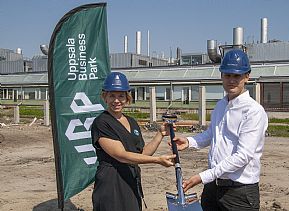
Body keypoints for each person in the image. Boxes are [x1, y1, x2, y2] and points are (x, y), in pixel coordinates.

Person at [173, 49, 268, 211]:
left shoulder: (253, 111)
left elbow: (243, 156)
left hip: (239, 192)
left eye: (236, 76)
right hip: (213, 187)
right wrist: (189, 142)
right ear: (221, 76)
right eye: (227, 75)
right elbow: (212, 134)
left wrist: (203, 177)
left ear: (247, 77)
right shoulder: (221, 105)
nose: (231, 80)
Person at [91, 72, 176, 211]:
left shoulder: (132, 122)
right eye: (112, 95)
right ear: (104, 97)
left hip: (131, 180)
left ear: (127, 98)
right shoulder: (102, 122)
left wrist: (160, 134)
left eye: (121, 96)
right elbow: (121, 155)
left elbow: (142, 153)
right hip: (111, 181)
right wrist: (157, 160)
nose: (116, 100)